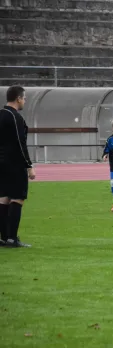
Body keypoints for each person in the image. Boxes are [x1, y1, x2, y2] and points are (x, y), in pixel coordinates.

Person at [0, 86, 35, 248]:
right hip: (14, 163)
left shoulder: (1, 115)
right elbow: (20, 144)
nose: (25, 101)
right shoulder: (15, 117)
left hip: (2, 164)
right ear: (18, 98)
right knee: (17, 198)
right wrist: (28, 165)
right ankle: (12, 238)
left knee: (4, 198)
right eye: (24, 98)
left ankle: (4, 237)